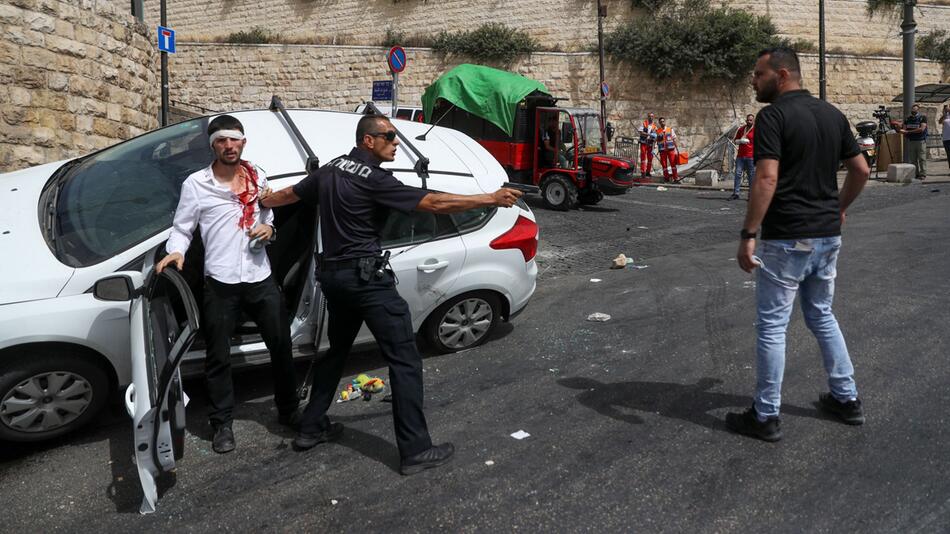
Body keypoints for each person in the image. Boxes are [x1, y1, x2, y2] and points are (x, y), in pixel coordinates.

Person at [260, 114, 523, 474]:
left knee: (336, 353)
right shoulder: (376, 180)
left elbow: (290, 195)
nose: (396, 142)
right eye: (390, 136)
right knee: (404, 359)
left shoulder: (331, 169)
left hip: (334, 279)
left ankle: (310, 427)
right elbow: (434, 204)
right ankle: (415, 450)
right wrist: (489, 198)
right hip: (367, 280)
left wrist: (260, 201)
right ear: (369, 140)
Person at [727, 47, 870, 442]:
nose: (754, 81)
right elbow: (861, 169)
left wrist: (748, 234)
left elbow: (766, 178)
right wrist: (839, 208)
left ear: (783, 75)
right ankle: (847, 398)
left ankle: (766, 414)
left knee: (773, 326)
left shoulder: (773, 117)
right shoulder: (832, 114)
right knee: (822, 314)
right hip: (827, 235)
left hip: (788, 237)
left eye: (759, 74)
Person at [155, 115, 299, 454]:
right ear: (213, 145)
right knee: (218, 356)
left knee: (281, 346)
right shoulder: (196, 184)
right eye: (222, 140)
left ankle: (289, 409)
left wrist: (270, 230)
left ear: (243, 143)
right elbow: (183, 227)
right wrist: (176, 252)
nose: (229, 146)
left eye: (234, 140)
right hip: (219, 282)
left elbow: (268, 217)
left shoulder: (257, 176)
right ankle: (222, 424)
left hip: (259, 277)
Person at [731, 114, 756, 200]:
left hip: (751, 156)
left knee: (751, 176)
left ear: (753, 121)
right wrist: (739, 141)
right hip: (740, 156)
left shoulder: (756, 130)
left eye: (751, 120)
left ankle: (751, 195)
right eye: (748, 120)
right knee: (737, 174)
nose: (749, 121)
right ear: (746, 120)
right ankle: (736, 193)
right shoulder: (741, 129)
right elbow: (735, 141)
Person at [901, 103, 928, 180]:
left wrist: (909, 132)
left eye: (915, 110)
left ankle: (923, 174)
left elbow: (921, 129)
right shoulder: (907, 119)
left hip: (920, 141)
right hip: (911, 141)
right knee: (913, 159)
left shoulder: (923, 118)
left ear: (918, 110)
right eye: (912, 110)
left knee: (922, 158)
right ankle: (916, 173)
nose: (913, 111)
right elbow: (904, 129)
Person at [655, 117, 679, 183]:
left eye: (663, 121)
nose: (662, 123)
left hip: (671, 149)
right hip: (662, 150)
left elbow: (674, 139)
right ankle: (666, 178)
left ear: (665, 122)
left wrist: (677, 149)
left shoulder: (670, 129)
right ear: (659, 123)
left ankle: (676, 178)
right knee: (664, 165)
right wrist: (654, 149)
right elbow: (656, 141)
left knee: (673, 164)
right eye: (661, 122)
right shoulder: (657, 131)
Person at [638, 112, 658, 179]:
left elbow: (656, 137)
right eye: (649, 116)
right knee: (643, 158)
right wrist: (649, 135)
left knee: (650, 158)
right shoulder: (644, 124)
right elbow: (641, 133)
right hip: (644, 143)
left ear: (653, 117)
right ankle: (643, 172)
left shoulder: (655, 126)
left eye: (652, 116)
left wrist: (655, 145)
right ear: (648, 117)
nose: (651, 117)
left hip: (650, 144)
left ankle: (648, 172)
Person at [941, 105, 950, 169]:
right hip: (946, 139)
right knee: (949, 156)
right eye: (945, 108)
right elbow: (939, 122)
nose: (947, 109)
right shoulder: (945, 116)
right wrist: (944, 115)